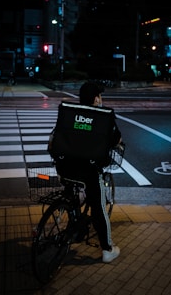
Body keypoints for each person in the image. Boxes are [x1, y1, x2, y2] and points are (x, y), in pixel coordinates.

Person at [55, 81, 122, 263]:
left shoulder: (69, 112)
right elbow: (116, 139)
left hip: (64, 167)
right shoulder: (103, 117)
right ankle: (107, 250)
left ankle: (75, 229)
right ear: (95, 99)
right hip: (88, 171)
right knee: (98, 206)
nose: (101, 99)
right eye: (99, 96)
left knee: (71, 194)